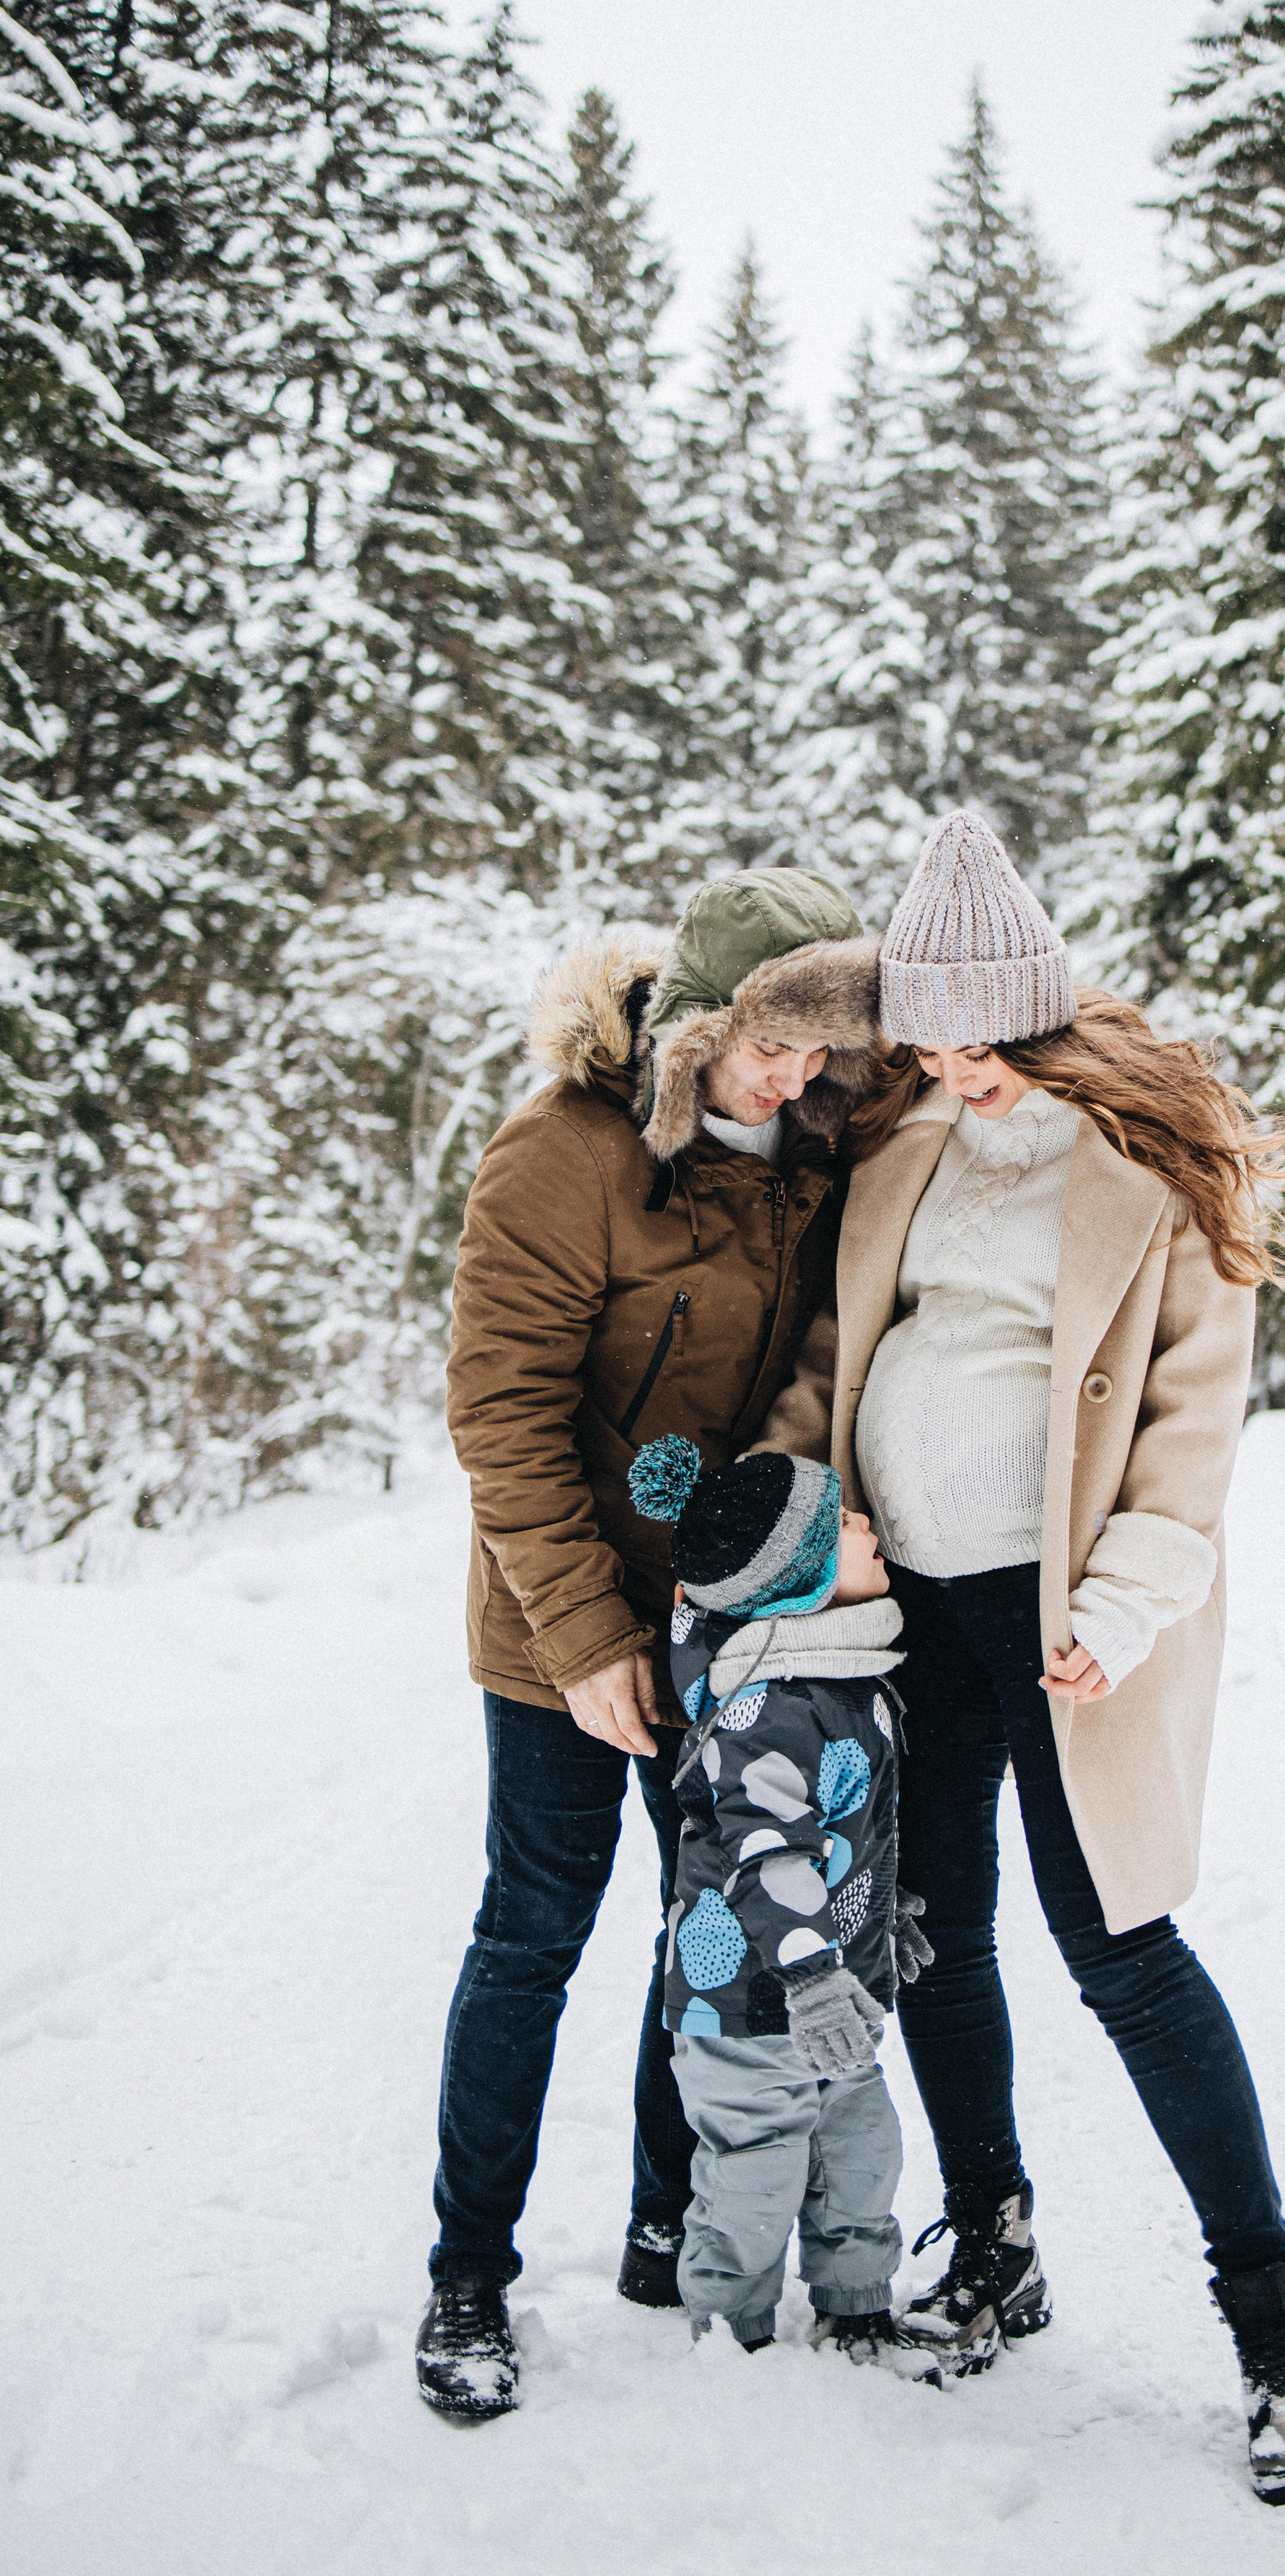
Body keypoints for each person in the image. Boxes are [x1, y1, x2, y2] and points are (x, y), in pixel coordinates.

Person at [759, 811, 1285, 2507]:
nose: (952, 1071)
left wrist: (1113, 1609)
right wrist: (804, 1519)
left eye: (976, 1041)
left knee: (1124, 1955)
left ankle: (1274, 2327)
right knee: (939, 1933)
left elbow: (1187, 1439)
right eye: (926, 1043)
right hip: (907, 1608)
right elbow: (829, 1357)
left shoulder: (1149, 1180)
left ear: (1037, 1011)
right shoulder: (902, 1147)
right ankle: (998, 2237)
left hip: (1060, 1621)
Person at [418, 873, 881, 2424]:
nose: (793, 1076)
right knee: (534, 1928)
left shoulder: (819, 1155)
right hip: (563, 1623)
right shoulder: (564, 1153)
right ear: (700, 1018)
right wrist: (587, 1638)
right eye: (769, 1043)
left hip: (722, 1621)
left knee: (707, 1930)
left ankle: (662, 2217)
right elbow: (501, 1413)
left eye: (820, 1048)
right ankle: (467, 2273)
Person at [624, 1432, 947, 2375]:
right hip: (750, 2004)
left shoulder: (845, 1679)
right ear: (797, 1584)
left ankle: (855, 2308)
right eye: (836, 1520)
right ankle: (735, 2338)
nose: (862, 1520)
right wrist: (811, 1973)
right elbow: (768, 1854)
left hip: (833, 1994)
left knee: (862, 2152)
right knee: (756, 2171)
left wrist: (885, 1911)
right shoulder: (769, 1706)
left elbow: (850, 1835)